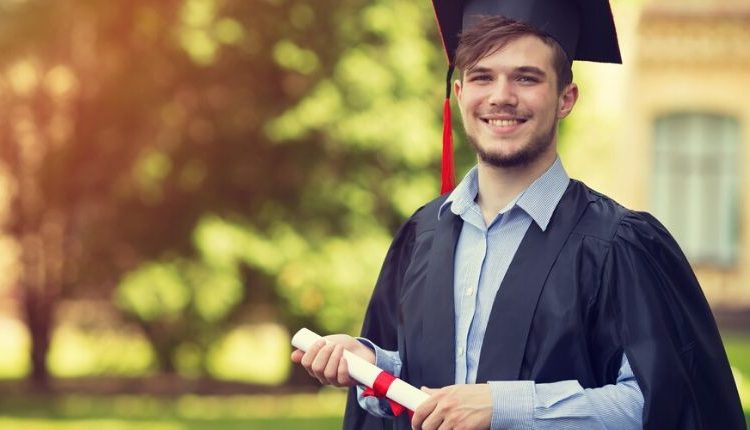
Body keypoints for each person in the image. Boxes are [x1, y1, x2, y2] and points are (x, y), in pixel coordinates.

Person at [291, 0, 746, 429]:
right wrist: (372, 364)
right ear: (459, 91)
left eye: (526, 78)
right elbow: (422, 385)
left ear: (566, 98)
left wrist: (503, 405)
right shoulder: (421, 237)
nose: (501, 97)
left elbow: (657, 402)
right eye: (483, 77)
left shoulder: (619, 245)